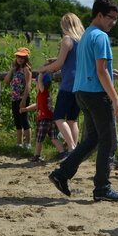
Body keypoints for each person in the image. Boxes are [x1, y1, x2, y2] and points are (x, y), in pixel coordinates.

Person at [47, 0, 118, 202]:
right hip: (96, 94)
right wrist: (116, 100)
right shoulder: (100, 37)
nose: (113, 22)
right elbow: (101, 72)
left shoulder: (85, 36)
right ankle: (102, 188)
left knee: (92, 139)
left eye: (116, 18)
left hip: (81, 92)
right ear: (99, 15)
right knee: (108, 142)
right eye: (111, 17)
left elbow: (94, 68)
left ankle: (62, 173)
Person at [38, 13, 85, 151]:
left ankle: (71, 148)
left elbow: (59, 64)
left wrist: (44, 69)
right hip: (80, 84)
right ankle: (75, 152)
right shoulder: (82, 41)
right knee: (72, 119)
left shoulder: (67, 39)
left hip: (68, 84)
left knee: (59, 117)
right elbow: (70, 60)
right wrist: (57, 59)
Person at [20, 70, 66, 163]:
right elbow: (37, 105)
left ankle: (37, 156)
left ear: (41, 83)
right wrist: (27, 109)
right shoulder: (45, 94)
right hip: (51, 118)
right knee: (54, 138)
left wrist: (41, 73)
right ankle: (63, 154)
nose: (36, 84)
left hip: (44, 119)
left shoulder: (43, 91)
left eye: (36, 82)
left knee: (39, 139)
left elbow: (40, 82)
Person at [3, 47, 33, 149]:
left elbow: (28, 85)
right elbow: (6, 81)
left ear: (26, 58)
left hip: (22, 98)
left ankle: (28, 144)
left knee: (24, 120)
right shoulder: (15, 69)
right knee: (17, 121)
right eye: (18, 57)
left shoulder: (26, 69)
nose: (20, 59)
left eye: (22, 57)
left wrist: (24, 100)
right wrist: (11, 70)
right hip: (14, 97)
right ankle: (19, 143)